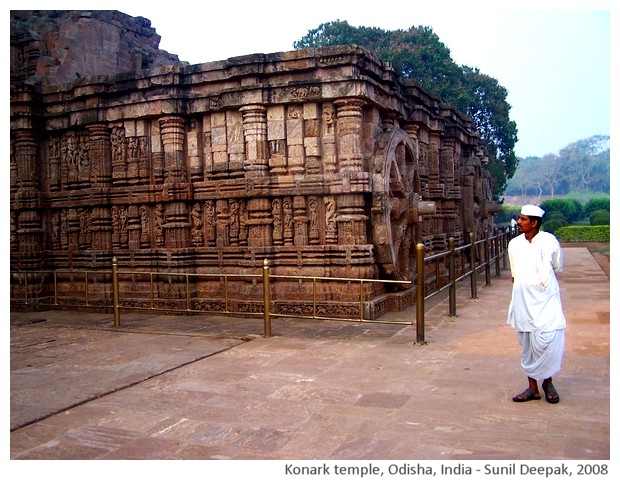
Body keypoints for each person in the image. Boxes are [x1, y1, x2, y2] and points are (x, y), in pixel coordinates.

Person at [507, 204, 566, 404]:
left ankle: (548, 382)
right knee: (528, 345)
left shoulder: (549, 241)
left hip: (546, 300)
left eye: (523, 219)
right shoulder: (514, 244)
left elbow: (558, 266)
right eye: (520, 218)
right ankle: (532, 388)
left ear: (534, 223)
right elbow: (514, 274)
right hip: (523, 301)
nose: (519, 222)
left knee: (548, 340)